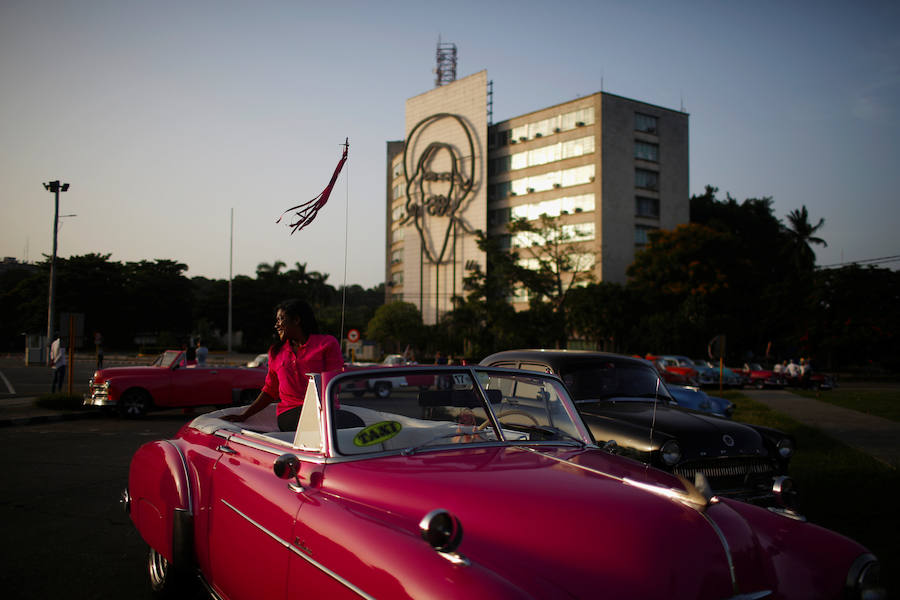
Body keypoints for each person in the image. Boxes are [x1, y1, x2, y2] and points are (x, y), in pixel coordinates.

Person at [224, 299, 344, 432]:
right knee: (319, 425)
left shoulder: (327, 344)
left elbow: (334, 383)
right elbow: (270, 390)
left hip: (325, 411)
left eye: (281, 319)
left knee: (357, 425)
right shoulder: (275, 352)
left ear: (296, 319)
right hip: (289, 413)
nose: (276, 325)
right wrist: (244, 415)